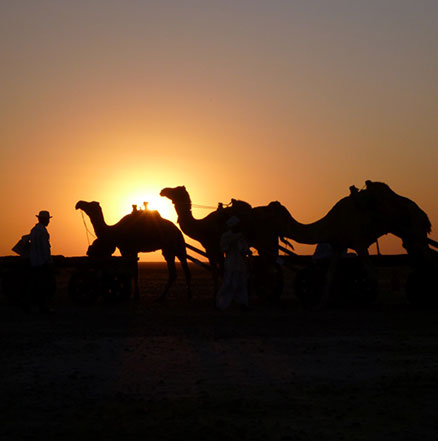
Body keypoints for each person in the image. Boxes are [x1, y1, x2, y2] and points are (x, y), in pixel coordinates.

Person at [216, 216, 251, 311]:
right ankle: (221, 305)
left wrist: (247, 252)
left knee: (241, 284)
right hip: (231, 262)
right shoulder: (226, 236)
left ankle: (243, 304)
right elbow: (224, 248)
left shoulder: (241, 236)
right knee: (229, 284)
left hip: (240, 263)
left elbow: (244, 248)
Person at [29, 210, 56, 313]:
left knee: (37, 285)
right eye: (47, 220)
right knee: (46, 286)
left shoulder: (34, 230)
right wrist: (49, 261)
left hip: (34, 262)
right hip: (42, 263)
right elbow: (45, 248)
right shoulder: (42, 232)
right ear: (44, 220)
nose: (48, 222)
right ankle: (43, 307)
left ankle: (37, 306)